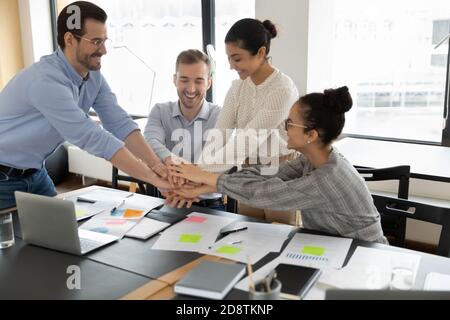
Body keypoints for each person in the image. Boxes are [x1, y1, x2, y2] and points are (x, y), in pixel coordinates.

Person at [0, 1, 169, 210]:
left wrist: (157, 166)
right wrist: (156, 181)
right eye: (96, 41)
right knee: (10, 242)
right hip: (3, 178)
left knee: (59, 236)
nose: (104, 50)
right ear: (70, 39)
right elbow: (92, 136)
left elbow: (119, 123)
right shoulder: (45, 81)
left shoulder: (93, 76)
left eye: (105, 40)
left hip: (35, 173)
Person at [168, 87, 388, 244]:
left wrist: (205, 177)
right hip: (334, 247)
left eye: (290, 123)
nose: (284, 129)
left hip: (364, 254)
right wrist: (206, 186)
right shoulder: (314, 159)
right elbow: (264, 174)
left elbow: (263, 193)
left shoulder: (327, 178)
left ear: (311, 134)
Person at [197, 18, 299, 224]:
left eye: (237, 58)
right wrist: (199, 171)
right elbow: (220, 135)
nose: (231, 66)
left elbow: (247, 140)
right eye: (228, 58)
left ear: (260, 53)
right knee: (247, 236)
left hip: (280, 171)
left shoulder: (283, 89)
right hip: (248, 170)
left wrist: (199, 175)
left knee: (281, 237)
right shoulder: (237, 88)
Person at [143, 49, 224, 210]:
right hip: (168, 202)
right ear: (175, 80)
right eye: (184, 80)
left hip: (210, 205)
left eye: (199, 81)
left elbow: (222, 164)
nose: (191, 88)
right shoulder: (160, 111)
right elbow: (150, 141)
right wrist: (172, 160)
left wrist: (187, 183)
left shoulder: (221, 115)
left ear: (209, 82)